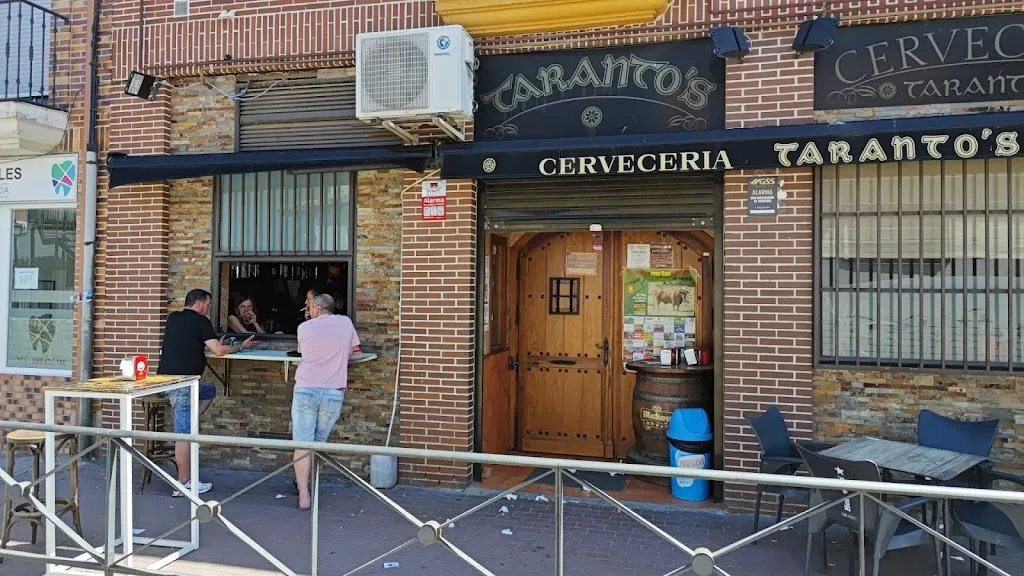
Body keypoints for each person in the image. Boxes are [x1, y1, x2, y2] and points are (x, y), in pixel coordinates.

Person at [158, 288, 255, 495]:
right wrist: (241, 347)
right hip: (183, 383)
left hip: (164, 382)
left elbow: (187, 345)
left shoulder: (173, 318)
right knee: (184, 435)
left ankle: (190, 424)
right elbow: (219, 351)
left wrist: (208, 345)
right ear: (199, 303)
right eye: (208, 306)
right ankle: (184, 484)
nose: (209, 310)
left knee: (209, 390)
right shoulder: (201, 322)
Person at [292, 293, 361, 509]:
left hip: (306, 389)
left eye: (310, 307)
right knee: (317, 442)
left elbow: (303, 352)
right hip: (333, 390)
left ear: (316, 307)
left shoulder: (305, 327)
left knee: (302, 442)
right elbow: (351, 352)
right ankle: (311, 483)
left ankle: (304, 494)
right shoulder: (346, 322)